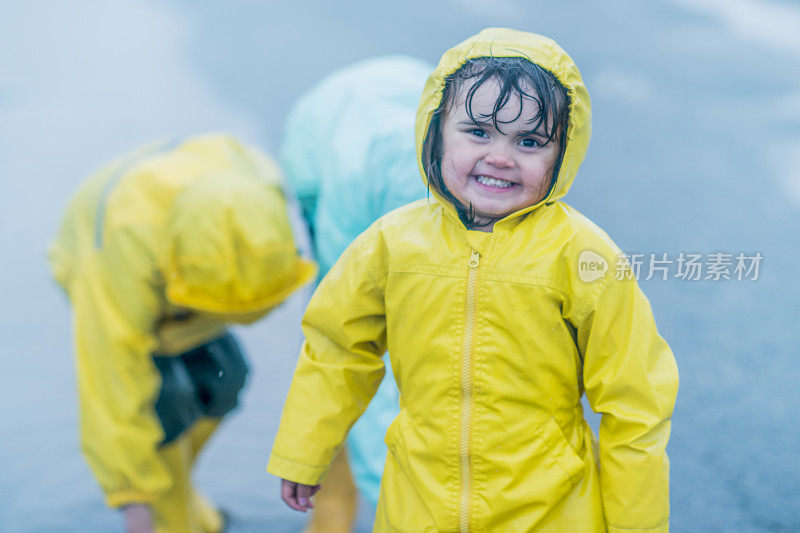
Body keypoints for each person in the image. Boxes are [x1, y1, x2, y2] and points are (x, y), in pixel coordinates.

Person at [268, 28, 679, 532]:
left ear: (563, 154)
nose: (501, 157)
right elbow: (335, 351)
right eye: (479, 132)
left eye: (530, 141)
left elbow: (636, 402)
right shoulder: (392, 244)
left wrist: (637, 524)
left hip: (548, 511)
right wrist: (304, 452)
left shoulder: (583, 256)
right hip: (417, 505)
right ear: (435, 131)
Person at [49, 133, 316, 533]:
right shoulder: (121, 252)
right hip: (102, 258)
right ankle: (171, 516)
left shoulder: (259, 185)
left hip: (194, 263)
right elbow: (110, 385)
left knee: (226, 379)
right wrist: (133, 499)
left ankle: (175, 488)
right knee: (166, 402)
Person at [280, 55, 432, 532]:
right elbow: (348, 340)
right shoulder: (348, 204)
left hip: (404, 93)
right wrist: (409, 502)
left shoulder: (488, 187)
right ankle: (330, 515)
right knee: (342, 348)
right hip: (322, 141)